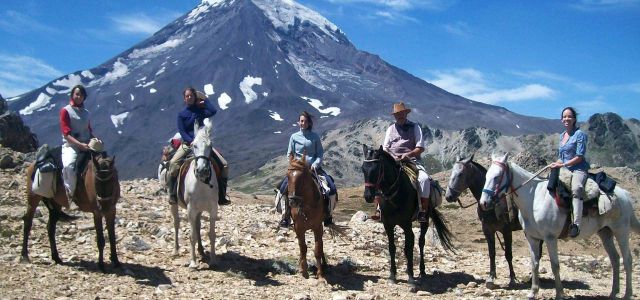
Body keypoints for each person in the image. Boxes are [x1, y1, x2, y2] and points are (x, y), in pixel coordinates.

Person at [166, 87, 231, 206]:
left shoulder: (200, 111)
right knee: (173, 164)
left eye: (191, 96)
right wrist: (191, 141)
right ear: (184, 99)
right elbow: (182, 131)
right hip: (187, 144)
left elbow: (213, 111)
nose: (189, 98)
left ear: (195, 98)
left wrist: (205, 100)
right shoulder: (181, 115)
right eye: (187, 96)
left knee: (224, 165)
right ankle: (172, 194)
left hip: (202, 145)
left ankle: (221, 196)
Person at [279, 111, 337, 227]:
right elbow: (289, 153)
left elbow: (320, 154)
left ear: (309, 123)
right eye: (301, 121)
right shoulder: (294, 137)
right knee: (283, 189)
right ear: (298, 122)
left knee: (331, 187)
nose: (303, 123)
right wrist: (293, 164)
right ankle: (285, 216)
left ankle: (328, 215)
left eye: (305, 121)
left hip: (313, 168)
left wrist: (315, 164)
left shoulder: (315, 137)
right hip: (298, 169)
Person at [383, 102, 429, 223]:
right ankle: (379, 209)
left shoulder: (415, 127)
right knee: (379, 178)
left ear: (405, 113)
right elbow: (385, 148)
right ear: (394, 116)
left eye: (401, 113)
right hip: (393, 161)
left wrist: (408, 155)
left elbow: (420, 147)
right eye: (397, 114)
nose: (399, 116)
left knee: (424, 179)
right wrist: (392, 156)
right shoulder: (390, 128)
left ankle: (423, 210)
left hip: (412, 160)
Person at [549, 107, 589, 238]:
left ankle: (576, 224)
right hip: (565, 167)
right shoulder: (562, 136)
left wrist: (563, 164)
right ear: (561, 119)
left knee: (576, 189)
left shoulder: (580, 135)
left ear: (574, 119)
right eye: (564, 116)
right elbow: (562, 156)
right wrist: (556, 163)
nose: (567, 119)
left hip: (578, 169)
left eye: (569, 116)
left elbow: (580, 156)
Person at [59, 85, 100, 201]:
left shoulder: (86, 113)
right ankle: (70, 195)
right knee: (69, 166)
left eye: (81, 94)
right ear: (72, 95)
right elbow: (66, 134)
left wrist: (95, 140)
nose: (79, 96)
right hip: (71, 145)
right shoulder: (65, 111)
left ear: (84, 97)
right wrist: (79, 145)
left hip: (87, 144)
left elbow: (88, 130)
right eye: (77, 94)